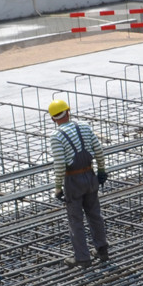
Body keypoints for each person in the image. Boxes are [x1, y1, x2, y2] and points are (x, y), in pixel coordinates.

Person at [49, 99, 109, 267]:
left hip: (73, 181)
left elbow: (60, 164)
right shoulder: (84, 127)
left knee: (76, 220)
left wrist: (58, 188)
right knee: (95, 215)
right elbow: (98, 150)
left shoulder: (56, 136)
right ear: (69, 111)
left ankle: (82, 258)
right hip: (90, 175)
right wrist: (102, 171)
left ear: (53, 119)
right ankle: (102, 250)